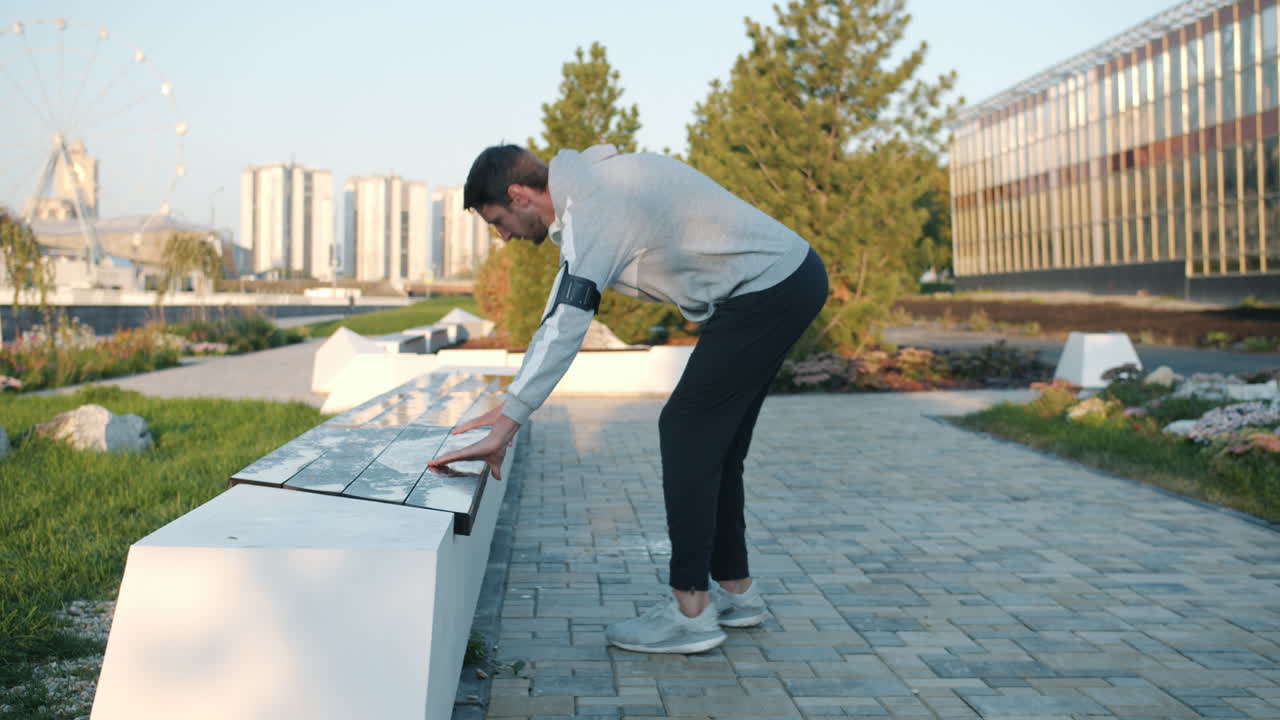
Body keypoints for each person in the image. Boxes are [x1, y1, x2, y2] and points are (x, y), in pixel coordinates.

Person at [430, 144, 827, 654]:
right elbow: (559, 309)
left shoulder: (596, 204)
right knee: (714, 445)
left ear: (519, 194)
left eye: (499, 221)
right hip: (784, 282)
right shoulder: (594, 193)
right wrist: (511, 408)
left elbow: (569, 321)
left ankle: (690, 612)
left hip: (767, 289)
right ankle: (737, 592)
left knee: (683, 429)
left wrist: (509, 422)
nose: (504, 236)